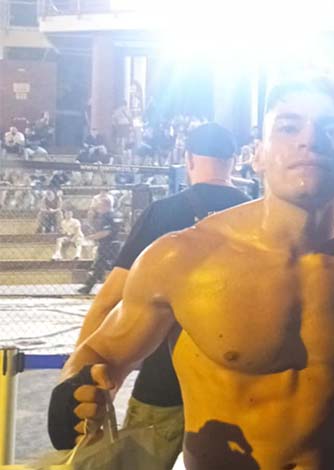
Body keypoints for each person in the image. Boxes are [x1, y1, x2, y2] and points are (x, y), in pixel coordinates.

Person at [49, 77, 334, 469]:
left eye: (331, 129)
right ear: (257, 155)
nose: (310, 140)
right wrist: (73, 395)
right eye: (289, 127)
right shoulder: (182, 259)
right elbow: (101, 353)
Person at [52, 123, 251, 468]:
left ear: (188, 159)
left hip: (164, 379)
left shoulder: (164, 213)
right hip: (239, 386)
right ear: (233, 161)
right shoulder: (258, 217)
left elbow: (108, 301)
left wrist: (80, 381)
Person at [77, 196, 122, 294]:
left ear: (106, 206)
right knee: (102, 266)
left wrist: (91, 237)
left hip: (108, 245)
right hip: (113, 244)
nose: (98, 209)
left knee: (101, 265)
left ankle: (89, 286)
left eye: (100, 206)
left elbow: (106, 232)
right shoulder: (115, 215)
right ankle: (89, 286)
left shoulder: (108, 216)